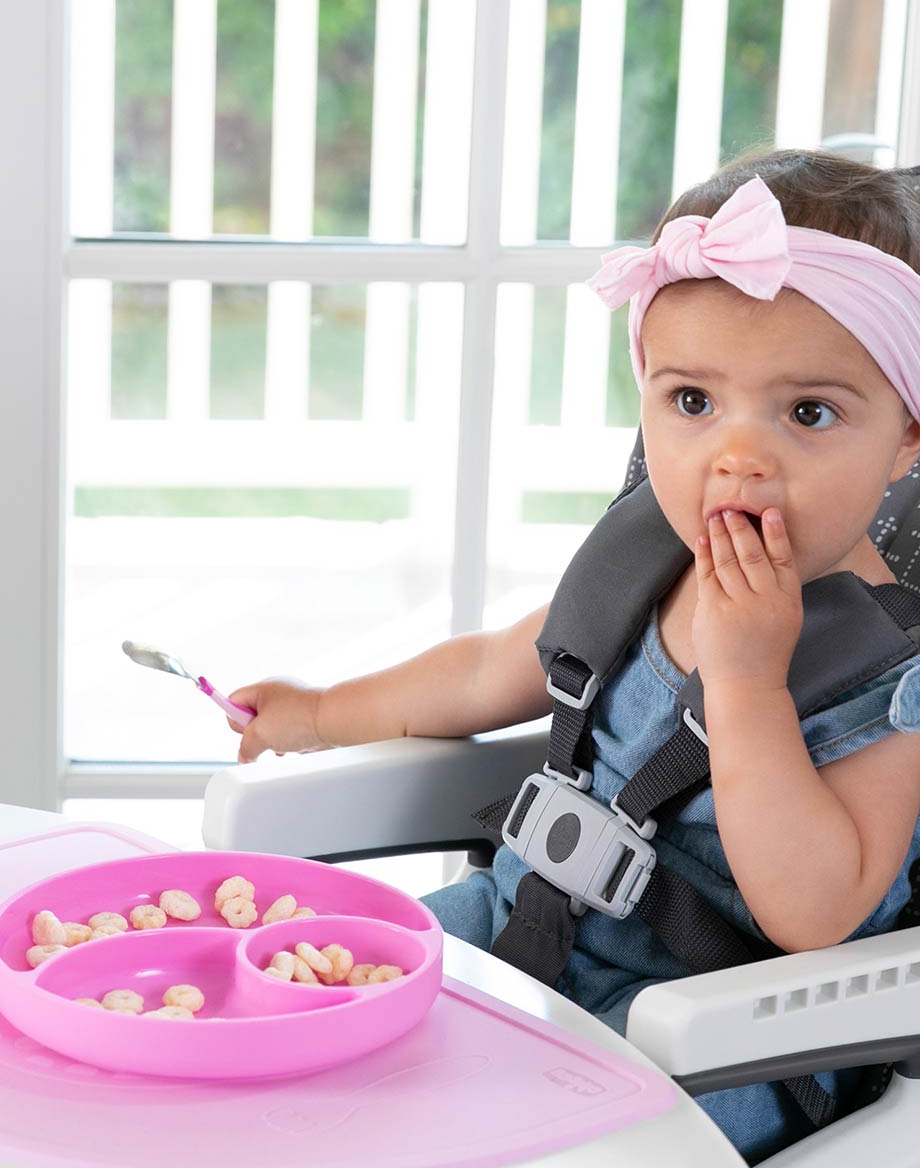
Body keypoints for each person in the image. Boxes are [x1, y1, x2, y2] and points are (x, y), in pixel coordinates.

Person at [226, 149, 920, 1164]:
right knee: (294, 1024)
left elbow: (815, 912)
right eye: (691, 402)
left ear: (905, 438)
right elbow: (479, 674)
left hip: (707, 1039)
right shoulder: (644, 558)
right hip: (518, 932)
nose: (737, 456)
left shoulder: (885, 682)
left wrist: (744, 681)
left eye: (807, 413)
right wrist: (319, 711)